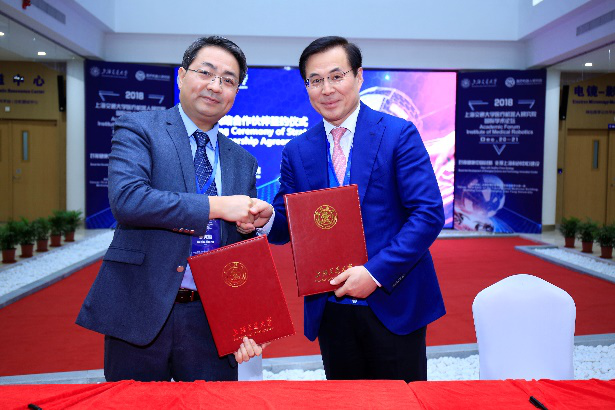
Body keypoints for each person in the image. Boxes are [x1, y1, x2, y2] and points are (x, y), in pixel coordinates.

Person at [248, 36, 446, 382]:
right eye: (315, 80)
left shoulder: (398, 135)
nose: (327, 89)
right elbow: (285, 225)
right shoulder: (297, 150)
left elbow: (428, 214)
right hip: (331, 311)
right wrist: (266, 220)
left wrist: (374, 274)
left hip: (393, 301)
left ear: (358, 76)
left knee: (400, 402)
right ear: (306, 86)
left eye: (337, 76)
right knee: (344, 400)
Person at [77, 36, 270, 382]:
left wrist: (248, 227)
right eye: (206, 73)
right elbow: (128, 200)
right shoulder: (140, 129)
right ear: (181, 76)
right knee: (133, 405)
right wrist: (217, 206)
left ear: (235, 92)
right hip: (141, 307)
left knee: (210, 405)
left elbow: (241, 252)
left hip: (211, 318)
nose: (215, 86)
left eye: (228, 80)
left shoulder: (242, 161)